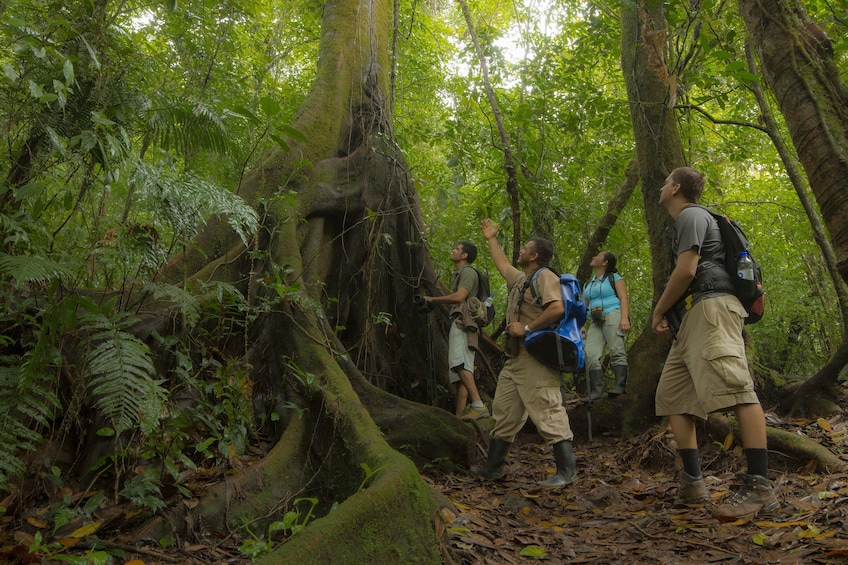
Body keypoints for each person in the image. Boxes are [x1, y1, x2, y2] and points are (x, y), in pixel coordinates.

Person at [651, 166, 778, 520]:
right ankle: (693, 482)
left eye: (664, 182)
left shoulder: (690, 214)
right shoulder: (687, 219)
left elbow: (687, 270)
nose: (661, 187)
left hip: (711, 309)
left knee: (737, 389)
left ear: (675, 188)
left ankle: (759, 485)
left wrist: (657, 310)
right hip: (692, 317)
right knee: (673, 396)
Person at [471, 219, 576, 488]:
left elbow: (557, 309)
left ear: (535, 255)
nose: (521, 251)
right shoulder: (522, 280)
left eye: (525, 248)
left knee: (548, 412)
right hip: (515, 360)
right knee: (505, 412)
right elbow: (503, 265)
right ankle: (492, 468)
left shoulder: (545, 276)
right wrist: (491, 238)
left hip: (537, 358)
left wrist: (527, 327)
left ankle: (566, 473)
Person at [424, 241, 490, 421]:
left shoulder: (467, 272)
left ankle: (478, 405)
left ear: (464, 255)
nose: (453, 250)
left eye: (457, 249)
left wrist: (433, 299)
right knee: (463, 372)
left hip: (463, 324)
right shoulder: (461, 273)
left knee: (459, 364)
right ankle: (459, 418)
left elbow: (460, 297)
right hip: (466, 326)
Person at [582, 251, 630, 400]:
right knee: (589, 354)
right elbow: (584, 306)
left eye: (598, 256)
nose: (594, 256)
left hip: (612, 314)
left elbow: (623, 299)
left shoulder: (614, 278)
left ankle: (620, 387)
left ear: (605, 262)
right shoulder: (588, 284)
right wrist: (582, 325)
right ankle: (597, 391)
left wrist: (624, 319)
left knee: (616, 349)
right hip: (595, 320)